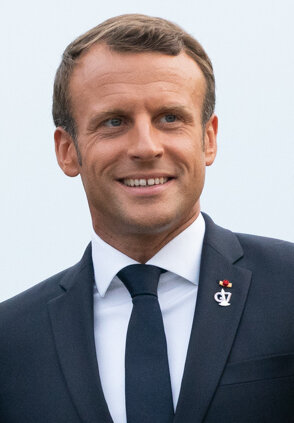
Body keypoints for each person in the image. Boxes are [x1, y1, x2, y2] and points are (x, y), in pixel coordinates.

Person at [0, 14, 293, 423]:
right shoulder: (10, 341)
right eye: (114, 121)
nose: (145, 146)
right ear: (67, 150)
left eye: (169, 118)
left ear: (208, 139)